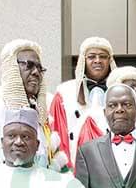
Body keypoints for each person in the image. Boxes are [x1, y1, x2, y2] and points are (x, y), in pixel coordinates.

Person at [0, 39, 67, 174]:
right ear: (12, 68)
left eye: (39, 68)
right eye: (29, 65)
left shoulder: (46, 108)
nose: (36, 72)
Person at [50, 36, 117, 164]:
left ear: (110, 61)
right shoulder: (64, 92)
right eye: (92, 57)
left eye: (103, 56)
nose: (97, 60)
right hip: (76, 164)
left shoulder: (121, 92)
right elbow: (58, 133)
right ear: (83, 60)